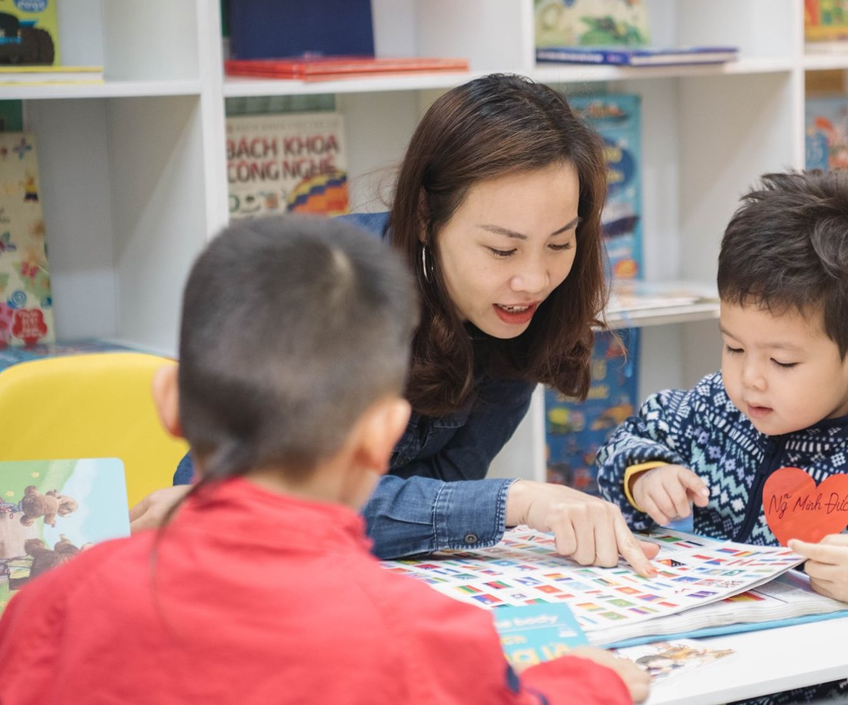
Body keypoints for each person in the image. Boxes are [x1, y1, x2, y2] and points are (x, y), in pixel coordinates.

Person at [0, 215, 649, 705]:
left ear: (171, 404)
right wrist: (593, 682)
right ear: (383, 434)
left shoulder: (50, 604)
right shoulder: (423, 636)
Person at [139, 73, 658, 576]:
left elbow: (444, 483)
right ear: (426, 218)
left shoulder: (513, 311)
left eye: (560, 243)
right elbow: (242, 495)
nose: (535, 280)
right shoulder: (328, 288)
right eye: (503, 249)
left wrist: (397, 510)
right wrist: (514, 501)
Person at [595, 171, 848, 702]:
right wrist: (646, 473)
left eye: (783, 361)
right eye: (734, 348)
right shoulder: (716, 408)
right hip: (721, 673)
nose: (750, 379)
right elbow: (625, 441)